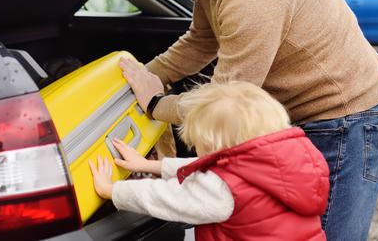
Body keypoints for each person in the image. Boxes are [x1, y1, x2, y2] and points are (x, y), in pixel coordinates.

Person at [118, 0, 378, 240]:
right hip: (306, 117)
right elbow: (201, 40)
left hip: (347, 120)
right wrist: (147, 75)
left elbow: (227, 97)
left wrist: (156, 103)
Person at [89, 81, 329, 240]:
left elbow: (166, 198)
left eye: (198, 144)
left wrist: (113, 190)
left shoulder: (225, 190)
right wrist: (149, 165)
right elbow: (213, 173)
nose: (196, 150)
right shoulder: (284, 160)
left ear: (215, 145)